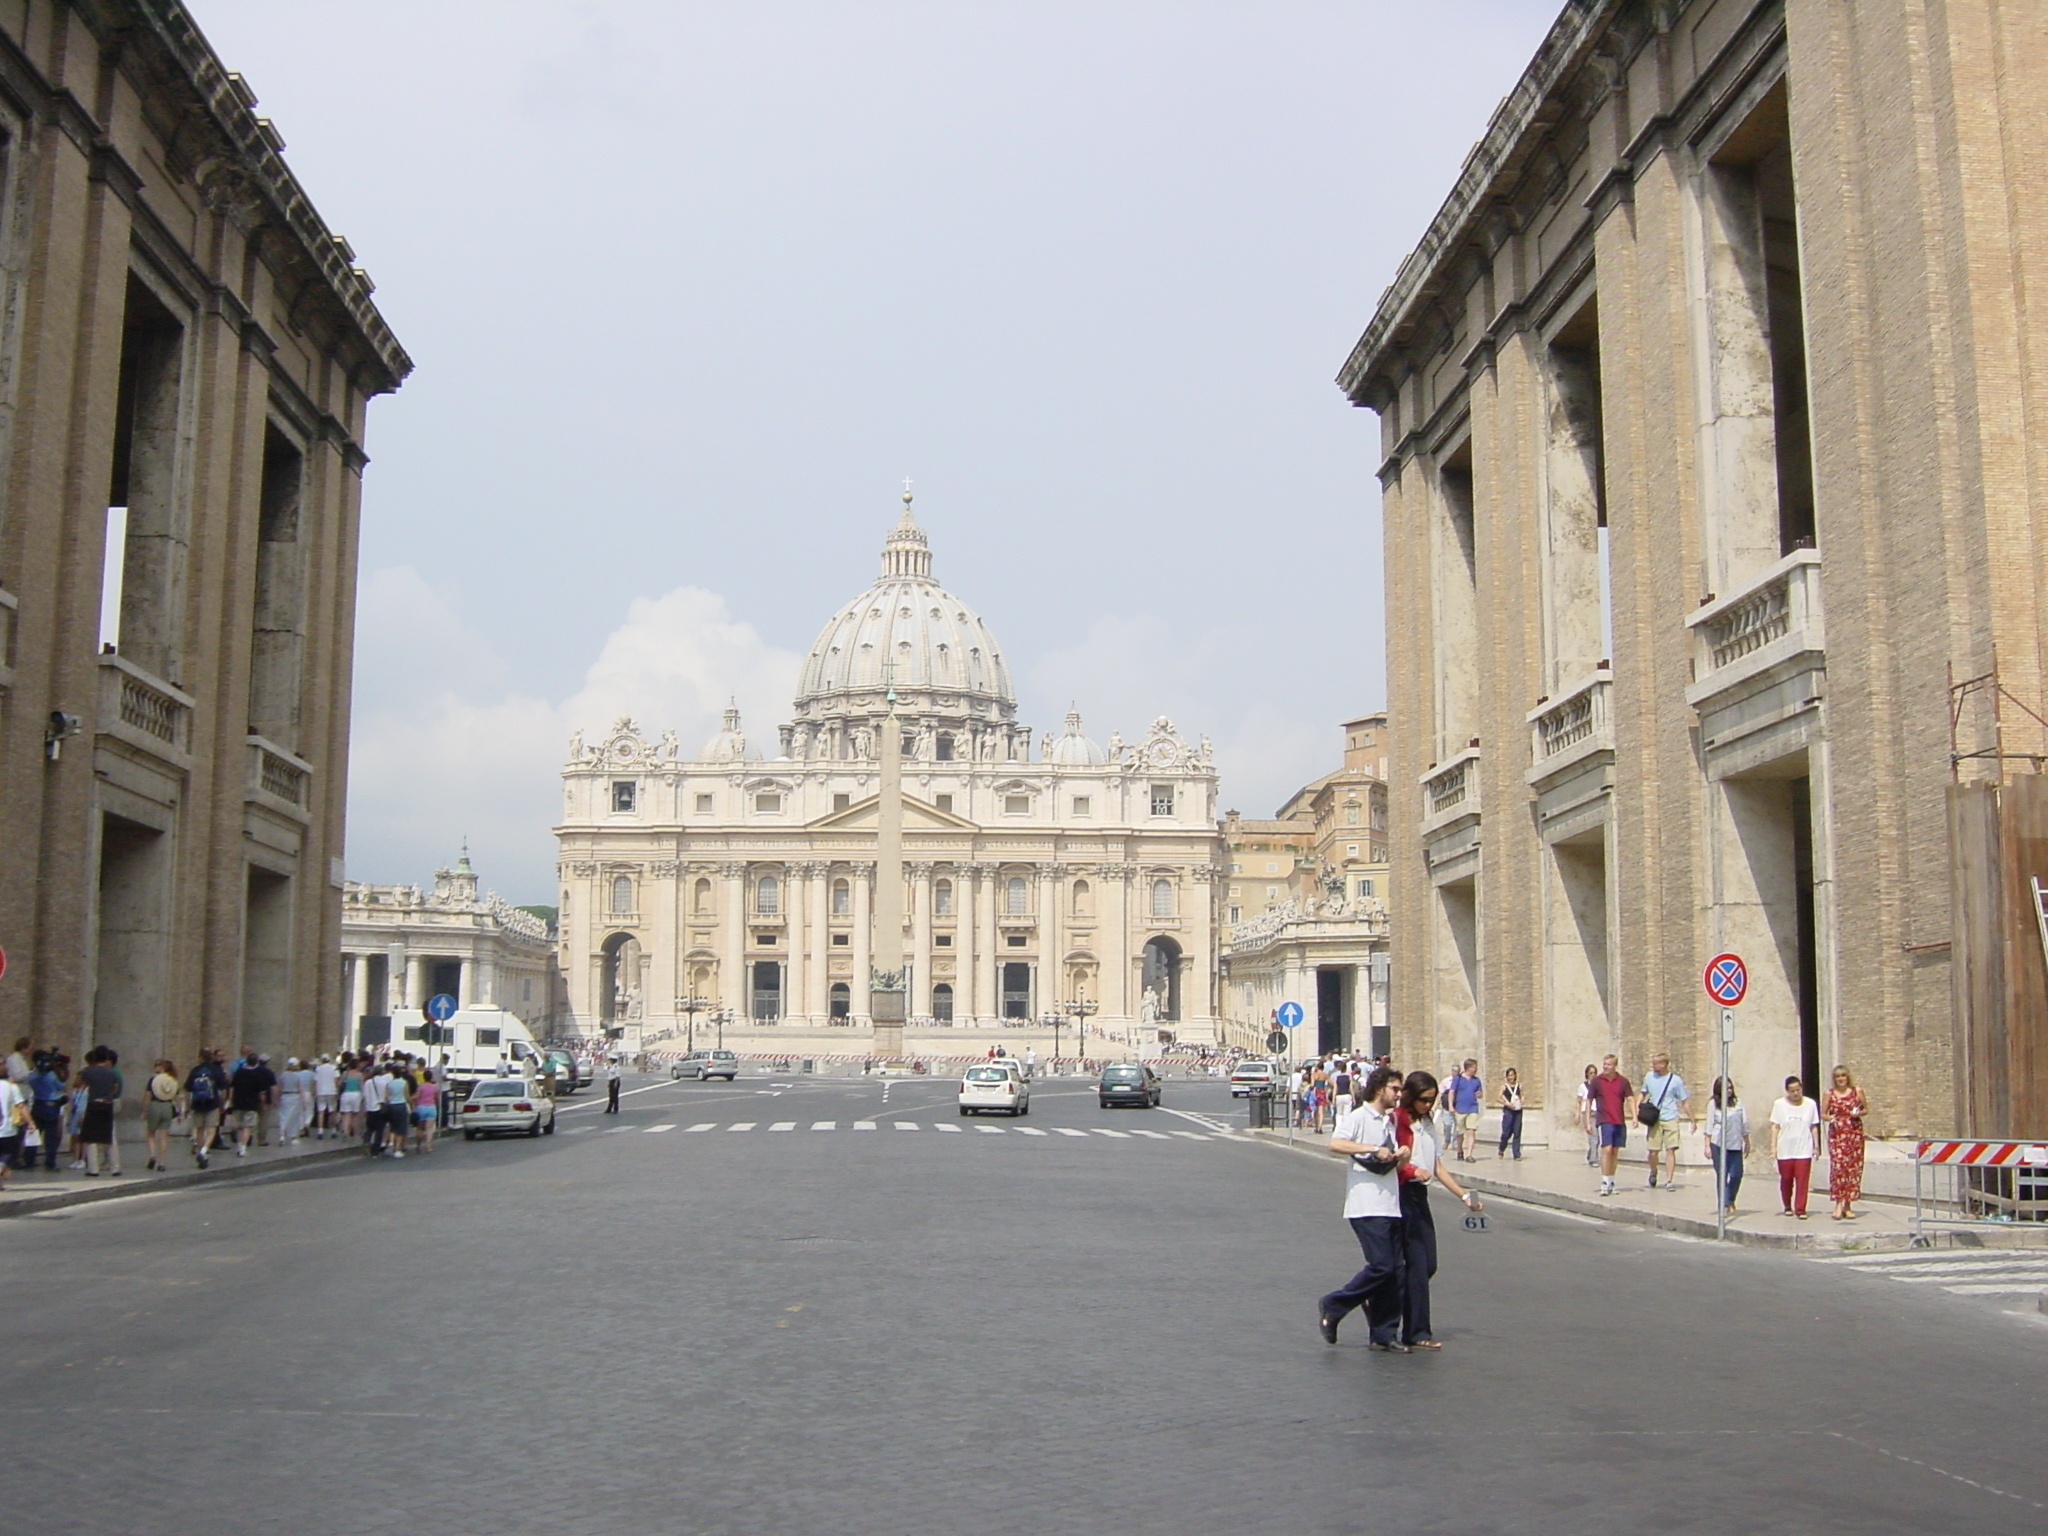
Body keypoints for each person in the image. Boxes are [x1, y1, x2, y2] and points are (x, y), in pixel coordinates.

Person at [1316, 1065, 1411, 1352]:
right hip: (1365, 1204)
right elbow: (1335, 1143)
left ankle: (1384, 1333)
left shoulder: (1389, 1122)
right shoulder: (1359, 1116)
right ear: (1379, 1088)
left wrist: (1403, 1156)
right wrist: (1371, 1149)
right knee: (1381, 1265)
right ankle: (1334, 1304)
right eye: (1394, 1089)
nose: (1398, 1094)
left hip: (1390, 1203)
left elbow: (1394, 1164)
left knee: (1396, 1271)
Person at [1392, 1071, 1482, 1350]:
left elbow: (1438, 1166)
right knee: (1417, 1266)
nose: (1428, 1105)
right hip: (1402, 1193)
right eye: (1423, 1100)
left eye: (1432, 1100)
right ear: (1411, 1096)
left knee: (1427, 1264)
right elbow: (1394, 1159)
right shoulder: (1398, 1121)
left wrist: (1464, 1195)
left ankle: (1383, 1297)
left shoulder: (1428, 1123)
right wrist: (1411, 1170)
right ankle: (1417, 1332)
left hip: (1420, 1194)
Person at [1769, 1076, 1822, 1219]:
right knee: (1786, 1178)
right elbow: (1775, 1127)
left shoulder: (1810, 1104)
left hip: (1804, 1147)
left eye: (1798, 1090)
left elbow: (1813, 1126)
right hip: (1785, 1148)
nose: (1795, 1093)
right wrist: (1773, 1148)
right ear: (1787, 1091)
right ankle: (1787, 1205)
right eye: (1792, 1091)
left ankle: (1800, 1208)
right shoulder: (1779, 1104)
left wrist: (1816, 1146)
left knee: (1803, 1179)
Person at [1639, 1052, 1691, 1190]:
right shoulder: (1649, 1077)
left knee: (1671, 1150)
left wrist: (1692, 1119)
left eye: (1655, 1063)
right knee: (1653, 1152)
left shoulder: (1676, 1080)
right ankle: (1653, 1170)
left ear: (1663, 1064)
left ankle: (1669, 1180)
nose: (1653, 1065)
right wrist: (1637, 1110)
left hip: (1670, 1117)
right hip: (1654, 1118)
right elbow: (1642, 1093)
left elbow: (1684, 1101)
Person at [1822, 1066, 1868, 1220]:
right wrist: (1831, 1118)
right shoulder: (1829, 1093)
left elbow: (1866, 1109)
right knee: (1838, 1168)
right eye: (1837, 1076)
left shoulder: (1857, 1091)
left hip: (1854, 1133)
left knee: (1853, 1168)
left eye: (1843, 1075)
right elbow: (1823, 1113)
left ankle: (1848, 1205)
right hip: (1837, 1135)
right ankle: (1838, 1203)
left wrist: (1857, 1113)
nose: (1840, 1078)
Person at [1588, 1054, 1634, 1197]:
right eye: (1605, 1064)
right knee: (1606, 1149)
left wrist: (1634, 1116)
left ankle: (1612, 1181)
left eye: (1608, 1064)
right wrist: (1588, 1121)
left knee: (1615, 1152)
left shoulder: (1623, 1082)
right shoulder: (1597, 1081)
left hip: (1619, 1120)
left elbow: (1630, 1098)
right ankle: (1604, 1181)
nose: (1606, 1067)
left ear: (1615, 1066)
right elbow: (1589, 1100)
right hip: (1604, 1120)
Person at [1704, 1076, 1748, 1217]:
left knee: (1736, 1174)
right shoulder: (1713, 1104)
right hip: (1718, 1143)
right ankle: (1723, 1205)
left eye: (1730, 1088)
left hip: (1735, 1143)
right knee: (1722, 1174)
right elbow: (1709, 1125)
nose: (1729, 1091)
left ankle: (1730, 1199)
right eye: (1725, 1088)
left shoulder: (1738, 1103)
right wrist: (1707, 1146)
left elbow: (1744, 1123)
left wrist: (1747, 1141)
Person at [77, 1046, 124, 1177]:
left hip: (94, 1104)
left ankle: (93, 1168)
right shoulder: (112, 1072)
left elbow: (79, 1084)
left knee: (92, 1137)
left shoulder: (89, 1071)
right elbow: (114, 1089)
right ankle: (115, 1167)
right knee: (110, 1136)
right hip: (107, 1104)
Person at [227, 1052, 276, 1159]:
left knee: (239, 1127)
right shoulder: (257, 1075)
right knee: (247, 1127)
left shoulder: (239, 1072)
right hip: (251, 1104)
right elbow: (261, 1093)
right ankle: (243, 1148)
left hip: (238, 1103)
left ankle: (239, 1145)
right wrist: (263, 1104)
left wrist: (230, 1100)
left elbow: (232, 1087)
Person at [184, 1050, 227, 1169]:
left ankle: (199, 1148)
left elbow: (188, 1089)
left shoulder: (195, 1070)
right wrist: (222, 1104)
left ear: (200, 1058)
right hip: (212, 1103)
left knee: (199, 1129)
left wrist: (187, 1106)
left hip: (197, 1103)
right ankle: (204, 1150)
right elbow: (222, 1088)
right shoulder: (216, 1070)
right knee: (211, 1128)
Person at [25, 1052, 67, 1171]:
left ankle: (29, 1161)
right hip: (51, 1106)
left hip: (38, 1105)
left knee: (34, 1135)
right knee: (51, 1138)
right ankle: (50, 1163)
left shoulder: (32, 1076)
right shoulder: (51, 1076)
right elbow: (61, 1086)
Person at [142, 1059, 180, 1172]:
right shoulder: (172, 1080)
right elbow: (176, 1097)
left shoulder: (153, 1080)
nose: (155, 1068)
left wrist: (144, 1111)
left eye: (156, 1066)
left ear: (161, 1068)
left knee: (151, 1133)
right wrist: (180, 1112)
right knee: (163, 1137)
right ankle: (161, 1163)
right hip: (167, 1106)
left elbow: (147, 1095)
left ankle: (153, 1155)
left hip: (154, 1105)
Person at [1443, 1059, 1483, 1162]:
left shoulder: (1476, 1080)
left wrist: (1479, 1094)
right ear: (1469, 1068)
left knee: (1471, 1130)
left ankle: (1469, 1154)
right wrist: (1451, 1106)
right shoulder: (1458, 1079)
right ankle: (1460, 1150)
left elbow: (1480, 1093)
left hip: (1472, 1108)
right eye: (1474, 1067)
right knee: (1460, 1132)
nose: (1476, 1069)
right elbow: (1452, 1092)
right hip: (1460, 1108)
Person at [0, 1070, 25, 1187]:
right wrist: (30, 1122)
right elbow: (21, 1105)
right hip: (7, 1129)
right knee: (8, 1153)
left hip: (6, 1128)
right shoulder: (11, 1087)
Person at [1496, 1068, 1524, 1159]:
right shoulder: (1504, 1086)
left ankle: (1516, 1154)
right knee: (1506, 1132)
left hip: (1518, 1110)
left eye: (1512, 1075)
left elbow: (1522, 1095)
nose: (1510, 1077)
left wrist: (1522, 1100)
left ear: (1515, 1075)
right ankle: (1501, 1149)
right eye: (1509, 1075)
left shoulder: (1519, 1086)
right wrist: (1507, 1104)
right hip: (1508, 1110)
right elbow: (1498, 1098)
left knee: (1517, 1131)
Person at [411, 1071, 439, 1155]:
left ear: (424, 1077)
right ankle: (428, 1146)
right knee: (429, 1128)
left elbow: (417, 1096)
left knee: (420, 1128)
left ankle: (418, 1145)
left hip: (421, 1107)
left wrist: (411, 1099)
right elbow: (437, 1098)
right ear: (431, 1077)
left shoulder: (421, 1086)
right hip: (431, 1107)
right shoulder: (434, 1087)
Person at [1576, 1064, 1599, 1166]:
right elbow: (1578, 1101)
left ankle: (1591, 1154)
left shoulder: (1599, 1086)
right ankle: (1593, 1160)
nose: (1592, 1075)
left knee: (1597, 1139)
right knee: (1593, 1137)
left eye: (1594, 1073)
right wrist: (1577, 1114)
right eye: (1590, 1073)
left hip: (1598, 1112)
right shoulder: (1583, 1087)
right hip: (1588, 1113)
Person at [312, 1055, 340, 1139]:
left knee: (321, 1111)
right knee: (332, 1111)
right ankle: (333, 1130)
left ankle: (320, 1131)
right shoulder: (334, 1068)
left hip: (321, 1091)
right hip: (331, 1091)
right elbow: (336, 1081)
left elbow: (316, 1081)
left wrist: (315, 1091)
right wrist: (337, 1091)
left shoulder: (318, 1069)